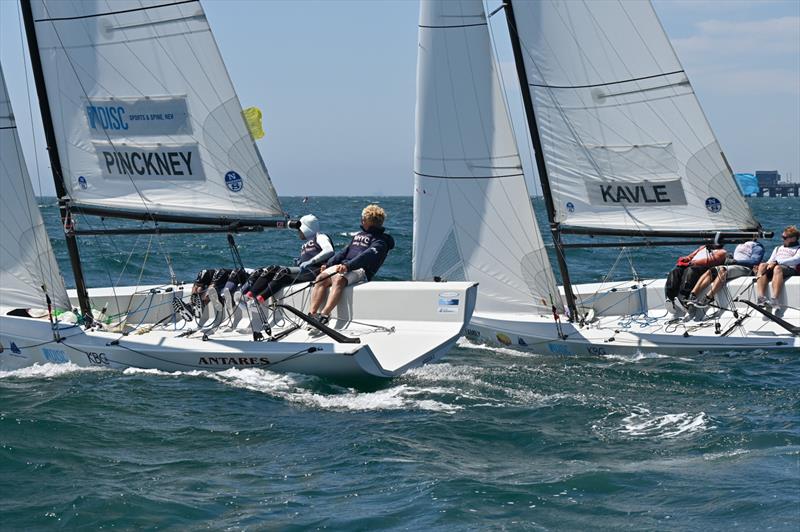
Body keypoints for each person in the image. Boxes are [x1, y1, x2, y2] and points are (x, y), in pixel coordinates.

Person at [307, 204, 394, 325]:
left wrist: (348, 266)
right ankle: (312, 314)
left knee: (339, 279)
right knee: (320, 278)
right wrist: (328, 265)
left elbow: (366, 256)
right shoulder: (359, 235)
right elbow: (344, 252)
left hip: (361, 270)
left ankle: (325, 315)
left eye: (363, 219)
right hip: (345, 266)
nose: (361, 221)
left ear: (368, 222)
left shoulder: (381, 241)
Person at [243, 214, 334, 303]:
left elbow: (329, 250)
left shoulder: (320, 237)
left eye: (299, 229)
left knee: (282, 274)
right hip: (304, 271)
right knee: (271, 269)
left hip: (315, 271)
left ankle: (258, 301)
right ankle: (248, 296)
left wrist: (310, 261)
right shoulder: (305, 244)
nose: (298, 231)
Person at [685, 239, 764, 309]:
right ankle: (693, 295)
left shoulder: (757, 246)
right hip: (734, 266)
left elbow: (755, 261)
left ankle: (708, 298)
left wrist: (735, 262)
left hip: (745, 269)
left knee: (723, 270)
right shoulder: (741, 244)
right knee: (710, 271)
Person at [664, 243, 727, 315]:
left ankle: (684, 298)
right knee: (675, 271)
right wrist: (686, 259)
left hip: (703, 268)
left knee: (690, 270)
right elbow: (690, 256)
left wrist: (692, 263)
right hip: (691, 265)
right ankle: (670, 298)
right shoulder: (702, 248)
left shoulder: (722, 252)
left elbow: (710, 261)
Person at [755, 225, 800, 311]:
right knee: (762, 265)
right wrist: (765, 266)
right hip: (776, 267)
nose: (782, 239)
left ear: (793, 238)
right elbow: (770, 261)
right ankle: (761, 298)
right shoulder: (778, 248)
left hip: (789, 269)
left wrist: (776, 263)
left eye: (784, 237)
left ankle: (775, 299)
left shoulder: (798, 249)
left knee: (777, 268)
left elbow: (795, 260)